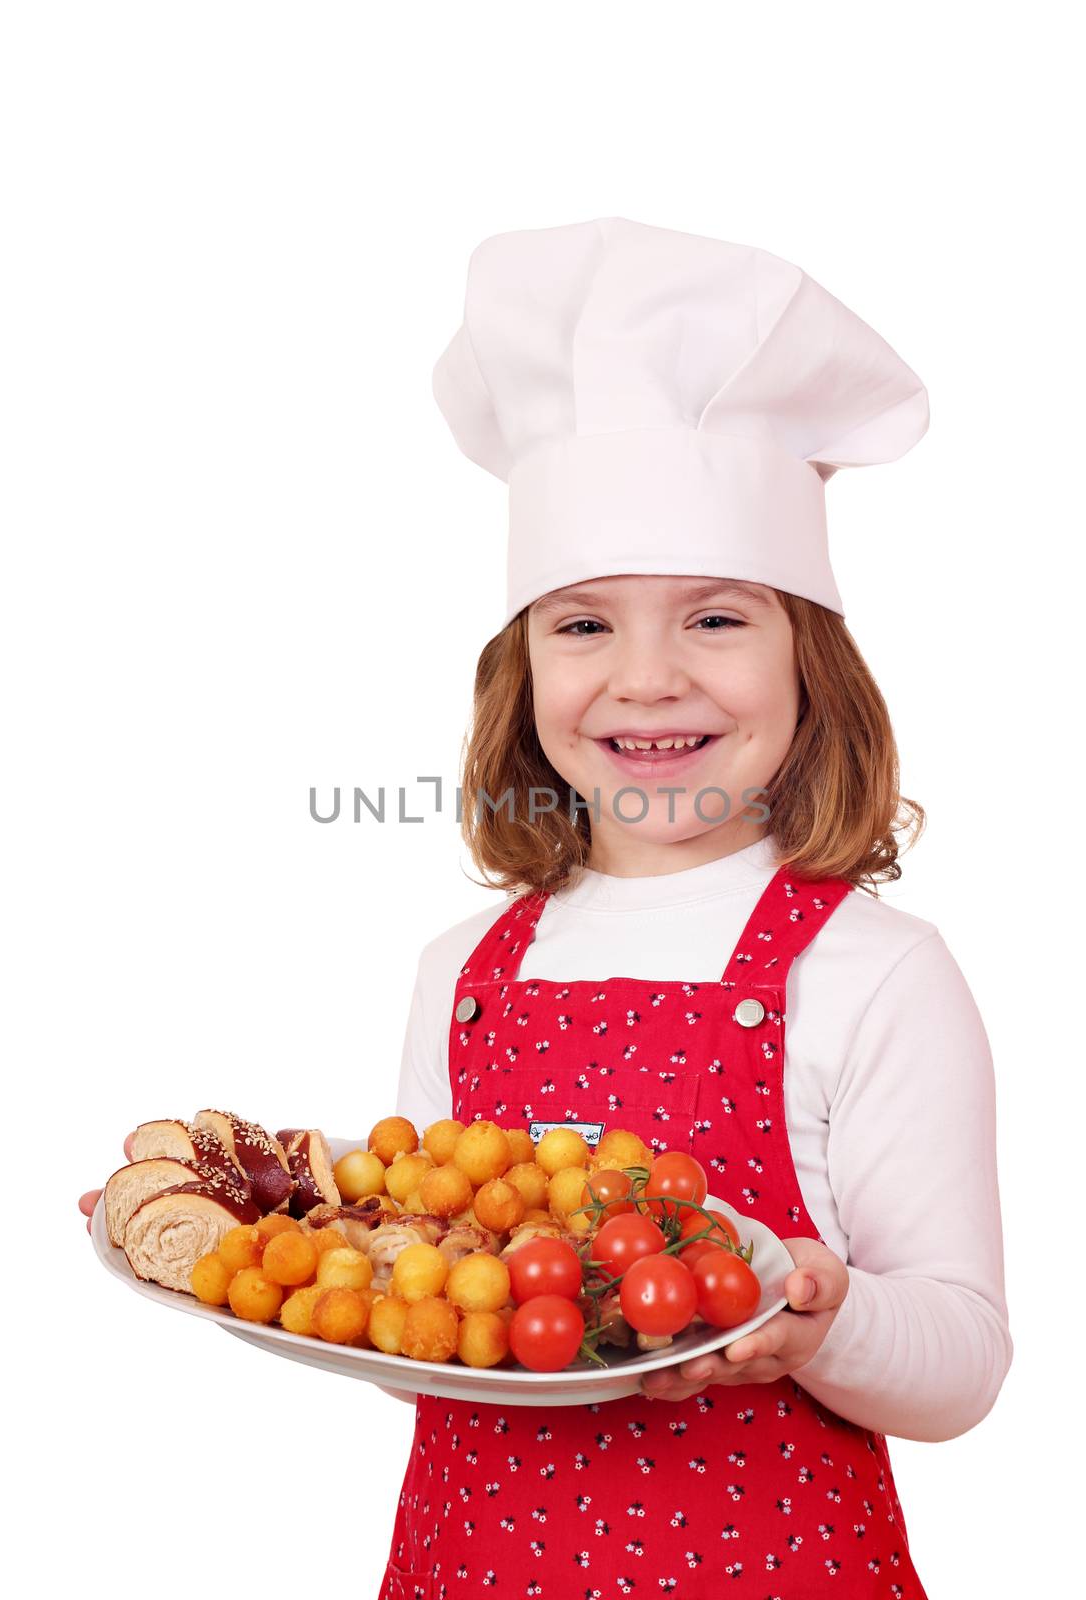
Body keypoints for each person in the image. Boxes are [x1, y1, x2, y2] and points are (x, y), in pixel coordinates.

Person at [373, 219, 1012, 1598]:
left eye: (716, 619)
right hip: (470, 1565)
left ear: (808, 666)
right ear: (521, 671)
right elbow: (424, 1326)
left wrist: (819, 1320)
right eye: (582, 623)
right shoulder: (462, 969)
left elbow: (959, 1367)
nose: (646, 679)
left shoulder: (870, 969)